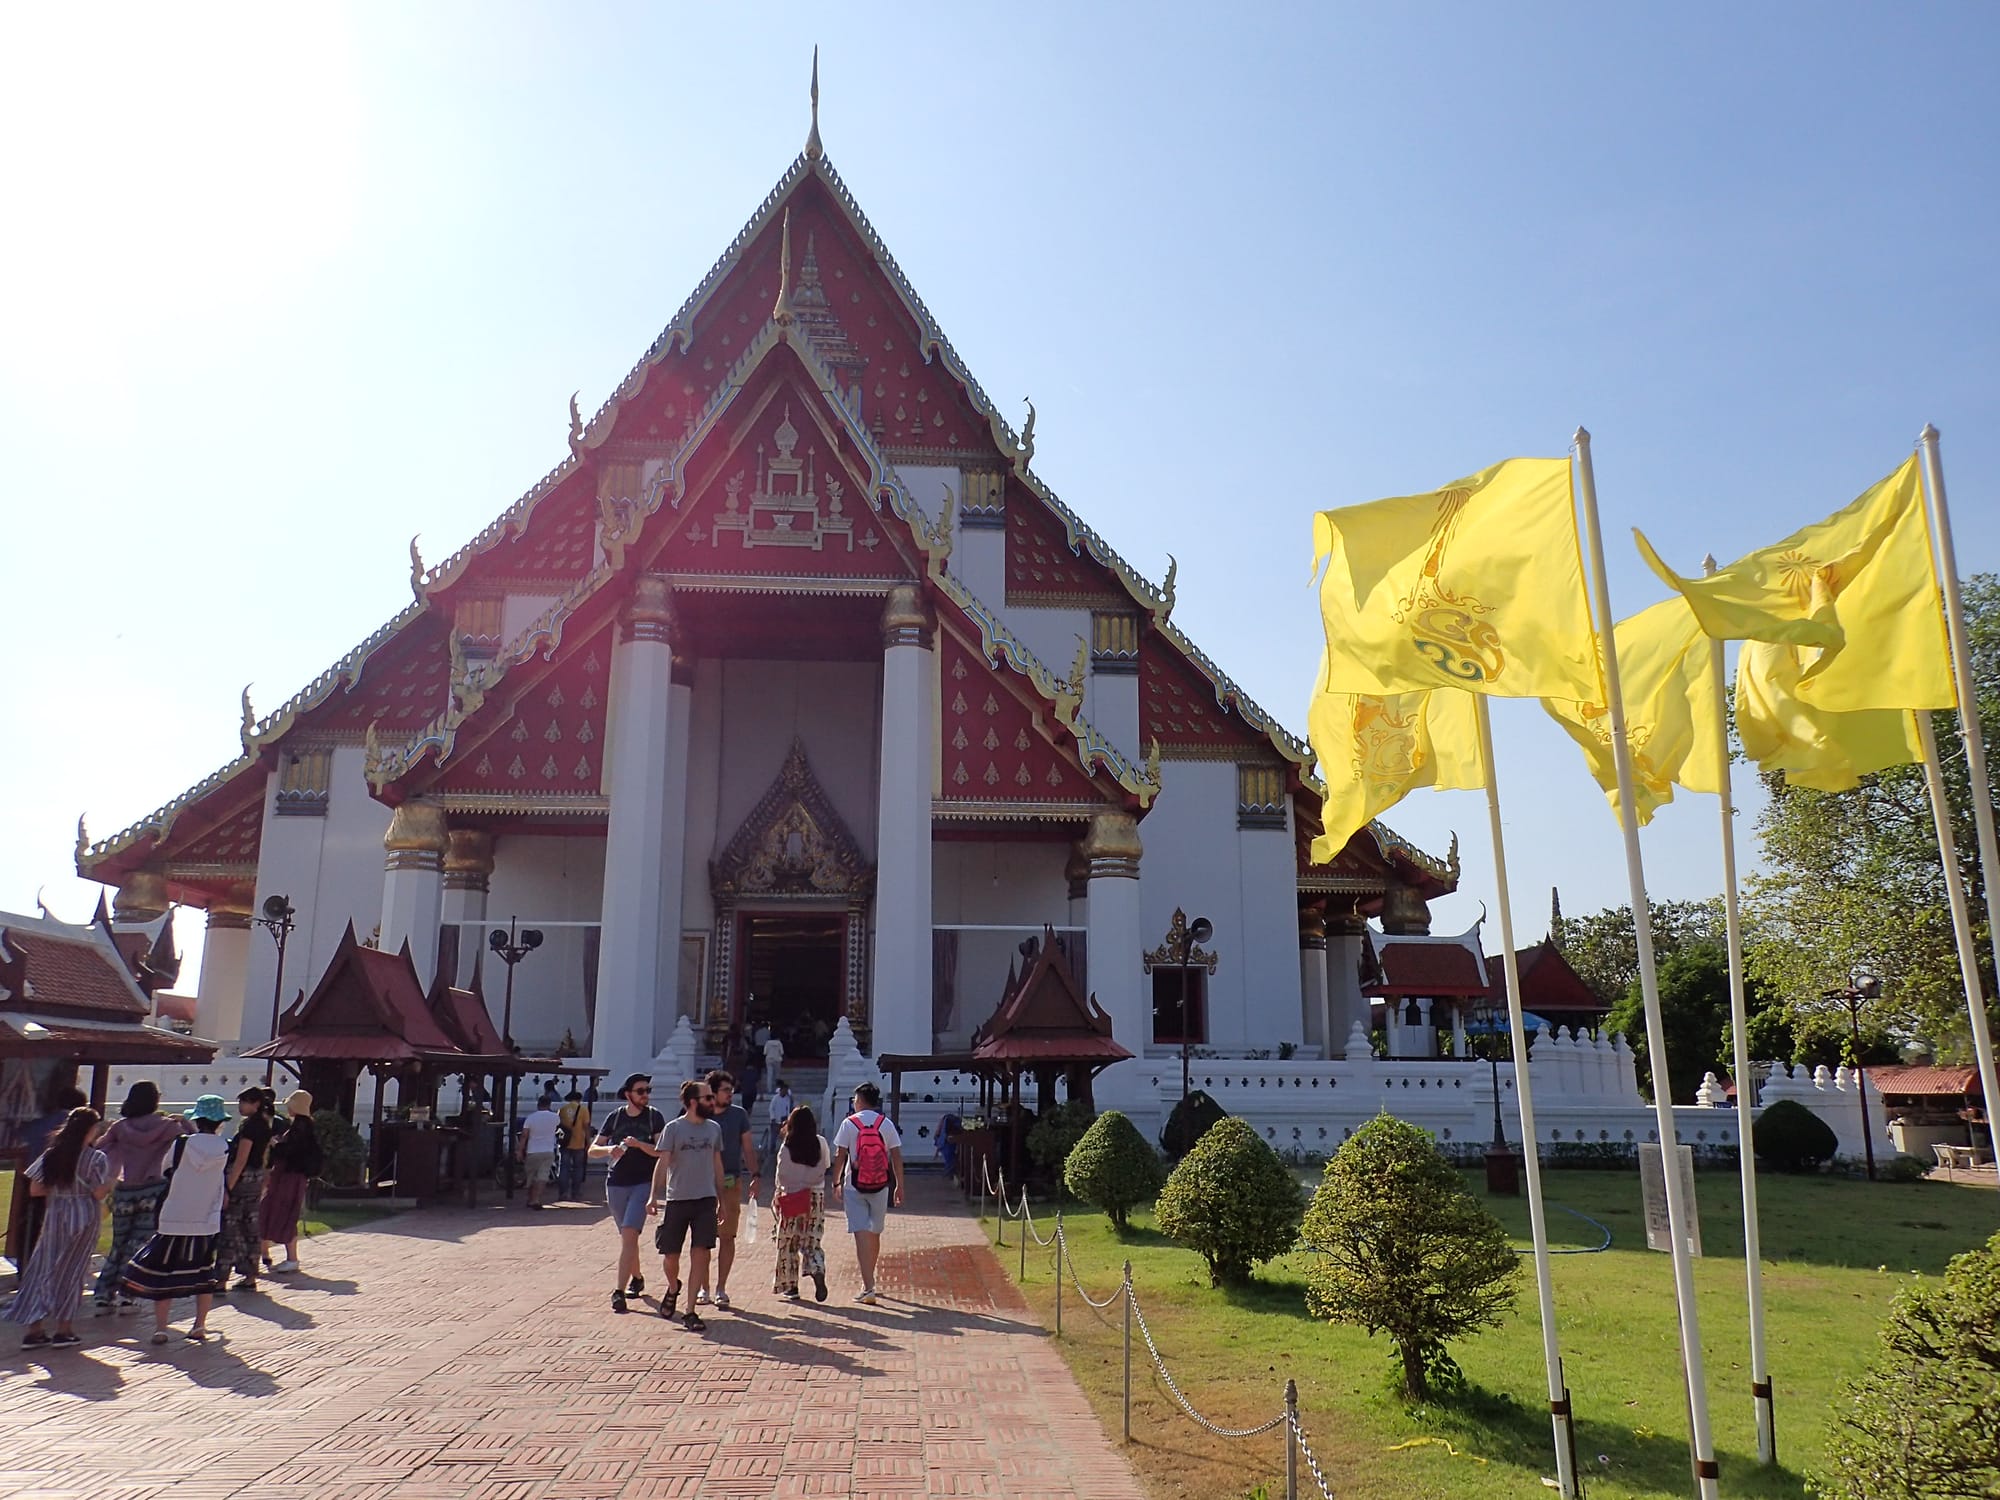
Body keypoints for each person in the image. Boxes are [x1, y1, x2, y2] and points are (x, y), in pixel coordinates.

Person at [124, 1094, 230, 1345]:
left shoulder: (182, 1144)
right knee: (204, 1273)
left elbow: (166, 1169)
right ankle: (200, 1325)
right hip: (206, 1218)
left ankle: (161, 1328)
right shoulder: (225, 1146)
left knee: (163, 1271)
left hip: (175, 1214)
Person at [4, 1106, 112, 1348]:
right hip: (84, 1214)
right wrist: (110, 1184)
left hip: (56, 1213)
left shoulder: (52, 1154)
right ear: (91, 1130)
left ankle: (34, 1328)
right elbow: (97, 1193)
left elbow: (35, 1189)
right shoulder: (96, 1158)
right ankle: (64, 1329)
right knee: (72, 1271)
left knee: (43, 1267)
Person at [92, 1081, 192, 1312]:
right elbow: (192, 1140)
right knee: (140, 1245)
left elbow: (99, 1147)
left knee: (119, 1243)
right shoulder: (167, 1126)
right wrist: (183, 1121)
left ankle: (103, 1292)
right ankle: (128, 1293)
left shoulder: (120, 1127)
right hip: (153, 1188)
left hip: (125, 1189)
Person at [648, 1077, 723, 1332]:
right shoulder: (674, 1128)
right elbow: (663, 1162)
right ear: (693, 1102)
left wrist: (721, 1199)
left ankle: (690, 1310)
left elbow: (717, 1165)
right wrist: (653, 1195)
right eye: (707, 1098)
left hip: (705, 1199)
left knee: (701, 1254)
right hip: (677, 1198)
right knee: (671, 1256)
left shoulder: (714, 1129)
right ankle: (672, 1287)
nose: (712, 1102)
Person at [590, 1073, 666, 1313]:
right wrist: (611, 1148)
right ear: (628, 1094)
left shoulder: (654, 1117)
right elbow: (592, 1150)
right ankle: (637, 1276)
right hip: (616, 1183)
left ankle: (618, 1291)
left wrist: (639, 1145)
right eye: (641, 1091)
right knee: (627, 1238)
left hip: (643, 1183)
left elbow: (661, 1151)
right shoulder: (615, 1118)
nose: (645, 1095)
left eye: (647, 1090)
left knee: (630, 1233)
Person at [830, 1082, 904, 1305]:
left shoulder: (849, 1123)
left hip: (855, 1184)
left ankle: (868, 1286)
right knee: (874, 1233)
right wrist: (900, 1185)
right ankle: (869, 1280)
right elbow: (897, 1156)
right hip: (881, 1185)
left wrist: (835, 1182)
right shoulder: (886, 1124)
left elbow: (840, 1156)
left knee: (861, 1234)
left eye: (854, 1099)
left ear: (860, 1100)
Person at [697, 1070, 757, 1311]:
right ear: (712, 1091)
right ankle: (704, 1287)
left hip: (730, 1182)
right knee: (701, 1239)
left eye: (731, 1090)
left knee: (727, 1236)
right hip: (700, 1183)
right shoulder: (699, 1115)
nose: (730, 1094)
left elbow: (748, 1148)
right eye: (725, 1090)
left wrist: (756, 1174)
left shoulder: (739, 1115)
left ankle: (721, 1287)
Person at [216, 1086, 275, 1293]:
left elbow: (241, 1160)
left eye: (244, 1102)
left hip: (242, 1178)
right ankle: (250, 1274)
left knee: (230, 1229)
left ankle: (221, 1278)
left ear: (255, 1104)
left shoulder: (249, 1127)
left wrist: (228, 1188)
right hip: (256, 1177)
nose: (241, 1106)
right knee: (251, 1226)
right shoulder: (265, 1124)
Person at [770, 1104, 830, 1303]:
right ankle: (817, 1269)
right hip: (815, 1197)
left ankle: (791, 1286)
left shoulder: (787, 1146)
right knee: (812, 1242)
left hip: (792, 1198)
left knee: (788, 1244)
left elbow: (782, 1175)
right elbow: (826, 1166)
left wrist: (777, 1194)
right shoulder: (820, 1142)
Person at [259, 1091, 321, 1272]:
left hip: (289, 1176)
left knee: (284, 1212)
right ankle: (278, 1254)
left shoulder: (301, 1127)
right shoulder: (301, 1126)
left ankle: (292, 1258)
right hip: (287, 1175)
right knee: (277, 1211)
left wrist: (275, 1145)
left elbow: (292, 1152)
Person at [516, 1093, 561, 1210]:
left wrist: (520, 1150)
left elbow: (524, 1136)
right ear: (549, 1105)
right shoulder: (555, 1117)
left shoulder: (531, 1118)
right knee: (542, 1177)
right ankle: (536, 1199)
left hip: (533, 1150)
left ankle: (531, 1199)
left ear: (538, 1104)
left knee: (530, 1177)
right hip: (548, 1150)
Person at [556, 1087, 592, 1202]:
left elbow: (559, 1125)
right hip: (579, 1142)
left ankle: (563, 1193)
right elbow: (586, 1127)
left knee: (564, 1168)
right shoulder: (583, 1109)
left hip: (565, 1142)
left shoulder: (562, 1109)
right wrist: (588, 1142)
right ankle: (575, 1192)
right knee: (578, 1168)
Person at [765, 1079, 795, 1162]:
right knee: (773, 1139)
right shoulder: (775, 1098)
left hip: (784, 1121)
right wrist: (773, 1118)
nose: (785, 1092)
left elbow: (789, 1109)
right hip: (776, 1121)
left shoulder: (788, 1099)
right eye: (784, 1090)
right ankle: (771, 1154)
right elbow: (771, 1108)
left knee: (786, 1138)